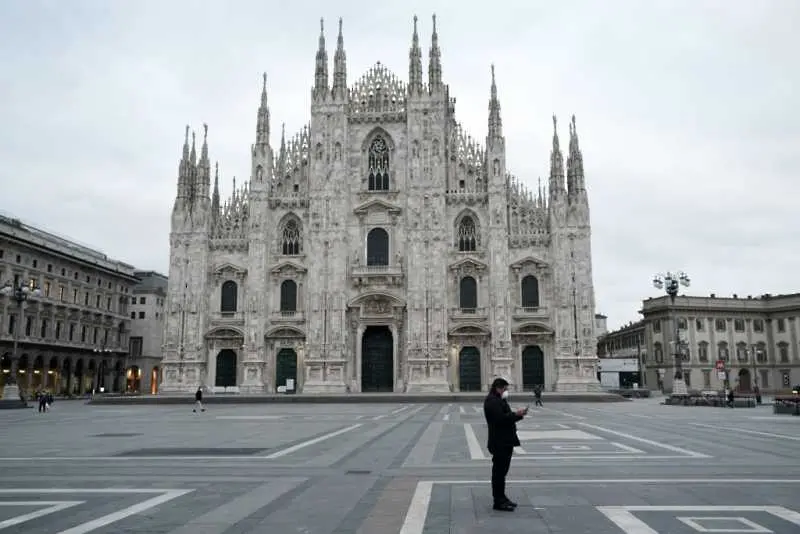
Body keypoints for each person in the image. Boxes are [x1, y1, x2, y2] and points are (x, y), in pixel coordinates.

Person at [483, 377, 528, 511]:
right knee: (498, 473)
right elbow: (501, 419)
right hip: (499, 442)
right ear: (498, 388)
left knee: (501, 472)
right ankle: (498, 501)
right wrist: (518, 415)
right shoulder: (492, 401)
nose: (506, 391)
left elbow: (506, 416)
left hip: (504, 441)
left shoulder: (498, 400)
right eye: (505, 389)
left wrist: (517, 415)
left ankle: (502, 498)